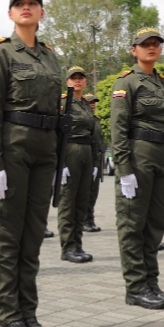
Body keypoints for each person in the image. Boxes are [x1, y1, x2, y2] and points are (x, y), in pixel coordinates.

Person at [0, 0, 63, 327]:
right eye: (19, 5)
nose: (26, 9)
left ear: (41, 14)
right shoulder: (1, 53)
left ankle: (28, 313)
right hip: (12, 151)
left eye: (33, 4)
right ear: (11, 14)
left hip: (44, 152)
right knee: (5, 238)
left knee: (31, 238)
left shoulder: (50, 58)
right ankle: (9, 318)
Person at [111, 28, 164, 309]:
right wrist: (124, 168)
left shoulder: (162, 83)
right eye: (145, 45)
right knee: (132, 224)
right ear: (134, 50)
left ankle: (151, 283)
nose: (151, 48)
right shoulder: (126, 83)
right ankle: (136, 287)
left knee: (155, 224)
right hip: (139, 157)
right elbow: (118, 128)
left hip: (163, 157)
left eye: (156, 44)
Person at [56, 66, 96, 264]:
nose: (78, 81)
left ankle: (78, 244)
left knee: (82, 201)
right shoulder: (63, 103)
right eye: (74, 78)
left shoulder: (86, 105)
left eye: (81, 78)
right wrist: (59, 162)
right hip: (70, 151)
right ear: (67, 82)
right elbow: (56, 132)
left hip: (86, 153)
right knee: (67, 202)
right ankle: (68, 247)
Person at [83, 93, 104, 233]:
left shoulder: (96, 120)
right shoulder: (84, 120)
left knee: (93, 192)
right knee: (84, 193)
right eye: (90, 102)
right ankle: (84, 220)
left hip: (96, 160)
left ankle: (90, 219)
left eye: (94, 102)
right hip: (85, 159)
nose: (93, 104)